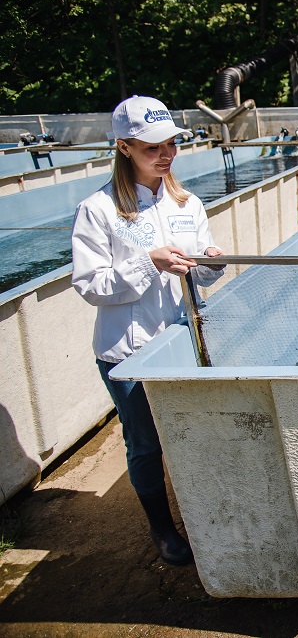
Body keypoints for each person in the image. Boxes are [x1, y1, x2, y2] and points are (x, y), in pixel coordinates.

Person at [71, 96, 226, 564]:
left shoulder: (186, 202)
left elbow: (195, 275)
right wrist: (146, 262)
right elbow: (90, 285)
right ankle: (163, 528)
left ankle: (207, 515)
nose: (166, 155)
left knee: (193, 433)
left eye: (172, 144)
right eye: (151, 147)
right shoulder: (98, 210)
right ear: (123, 146)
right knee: (144, 444)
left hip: (179, 341)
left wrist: (209, 265)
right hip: (128, 351)